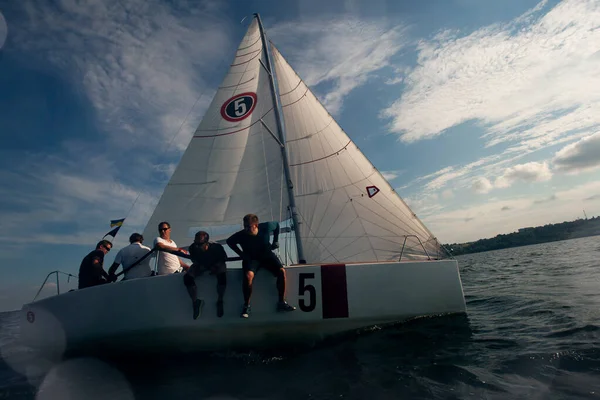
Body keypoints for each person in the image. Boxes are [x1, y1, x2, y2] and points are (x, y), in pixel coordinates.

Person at [226, 213, 295, 318]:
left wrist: (276, 240)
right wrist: (241, 253)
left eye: (249, 227)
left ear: (256, 225)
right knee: (248, 276)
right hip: (252, 259)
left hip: (266, 256)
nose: (246, 229)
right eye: (245, 226)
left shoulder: (266, 227)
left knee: (282, 272)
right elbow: (229, 241)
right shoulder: (241, 235)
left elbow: (276, 225)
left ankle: (281, 302)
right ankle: (246, 306)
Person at [184, 231, 228, 319]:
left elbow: (223, 259)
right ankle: (195, 302)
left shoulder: (216, 247)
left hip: (215, 265)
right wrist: (201, 267)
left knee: (222, 273)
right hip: (202, 265)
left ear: (206, 243)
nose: (197, 246)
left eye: (200, 244)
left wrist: (215, 267)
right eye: (196, 243)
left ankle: (220, 300)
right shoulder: (192, 248)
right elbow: (194, 260)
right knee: (187, 277)